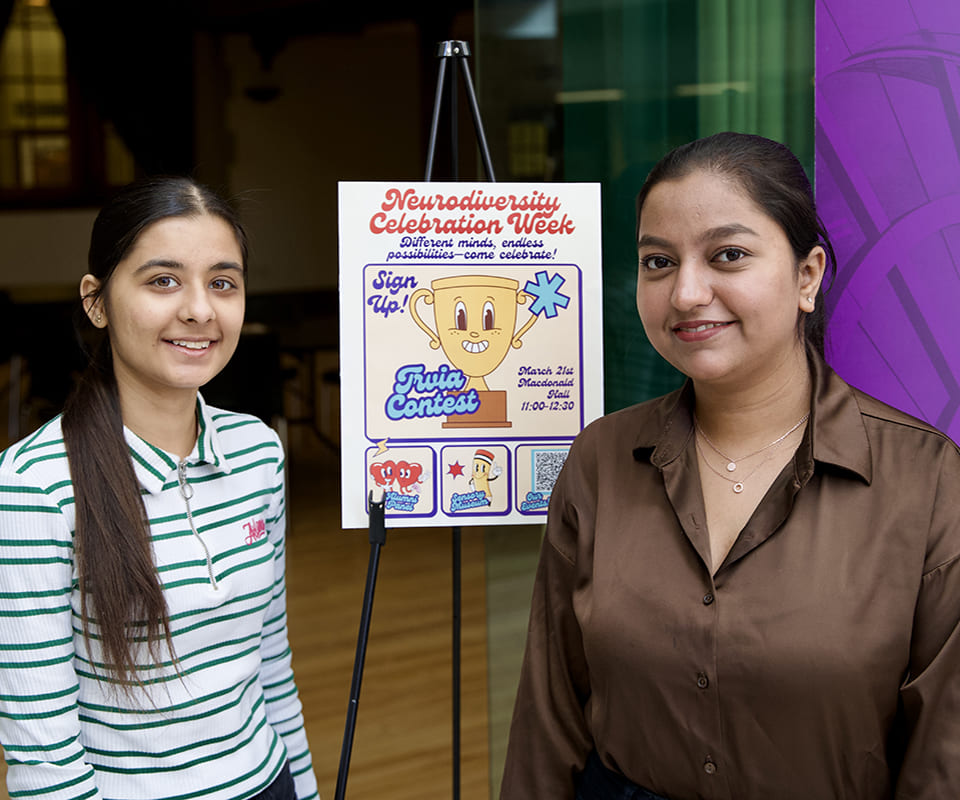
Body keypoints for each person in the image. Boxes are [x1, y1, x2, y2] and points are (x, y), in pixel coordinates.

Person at [499, 132, 960, 799]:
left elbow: (942, 760)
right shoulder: (601, 459)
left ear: (808, 276)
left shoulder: (926, 480)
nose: (685, 292)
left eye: (728, 255)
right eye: (658, 262)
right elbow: (550, 718)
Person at [0, 177, 320, 800]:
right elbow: (43, 755)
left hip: (266, 781)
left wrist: (304, 791)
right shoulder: (34, 484)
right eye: (163, 280)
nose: (200, 310)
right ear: (96, 301)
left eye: (222, 283)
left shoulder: (258, 451)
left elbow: (272, 666)